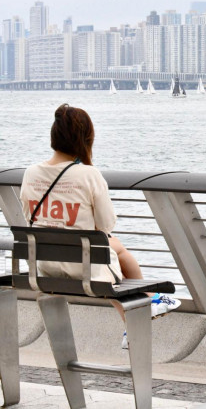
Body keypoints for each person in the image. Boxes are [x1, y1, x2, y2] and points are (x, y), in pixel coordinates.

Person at [19, 104, 181, 347]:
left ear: (54, 136)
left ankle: (146, 308)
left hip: (44, 267)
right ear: (85, 139)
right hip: (85, 270)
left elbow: (29, 216)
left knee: (110, 250)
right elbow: (107, 224)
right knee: (115, 250)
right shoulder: (88, 174)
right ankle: (148, 302)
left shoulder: (30, 173)